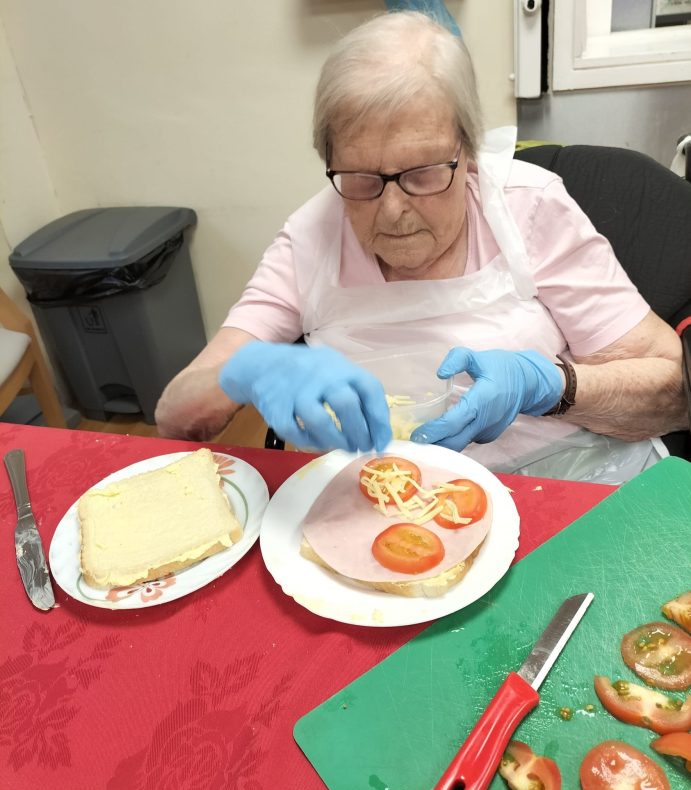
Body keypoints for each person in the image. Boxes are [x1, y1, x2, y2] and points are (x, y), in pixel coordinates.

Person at [155, 11, 687, 483]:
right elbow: (175, 416)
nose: (393, 211)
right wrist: (245, 372)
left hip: (564, 485)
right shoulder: (310, 239)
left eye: (423, 173)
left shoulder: (529, 208)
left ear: (468, 152)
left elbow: (673, 394)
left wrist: (554, 387)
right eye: (361, 177)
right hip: (379, 502)